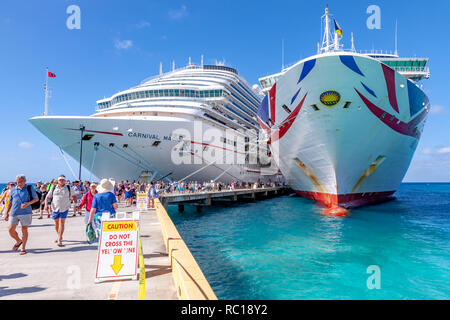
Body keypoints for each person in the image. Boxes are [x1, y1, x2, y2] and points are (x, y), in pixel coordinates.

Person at [4, 174, 39, 255]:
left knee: (24, 229)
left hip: (26, 212)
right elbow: (10, 202)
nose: (19, 183)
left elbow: (36, 199)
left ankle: (23, 248)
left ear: (25, 181)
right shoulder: (13, 189)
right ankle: (18, 241)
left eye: (21, 181)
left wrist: (28, 203)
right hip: (14, 212)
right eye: (17, 182)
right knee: (10, 229)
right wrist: (6, 212)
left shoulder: (29, 188)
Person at [45, 175, 77, 247]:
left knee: (61, 223)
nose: (61, 181)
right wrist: (46, 205)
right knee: (56, 223)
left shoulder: (69, 188)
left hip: (64, 207)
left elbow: (74, 196)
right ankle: (59, 235)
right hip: (55, 208)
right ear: (58, 181)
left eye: (63, 180)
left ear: (65, 181)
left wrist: (76, 204)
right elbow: (47, 197)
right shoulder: (53, 187)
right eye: (60, 180)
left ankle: (59, 239)